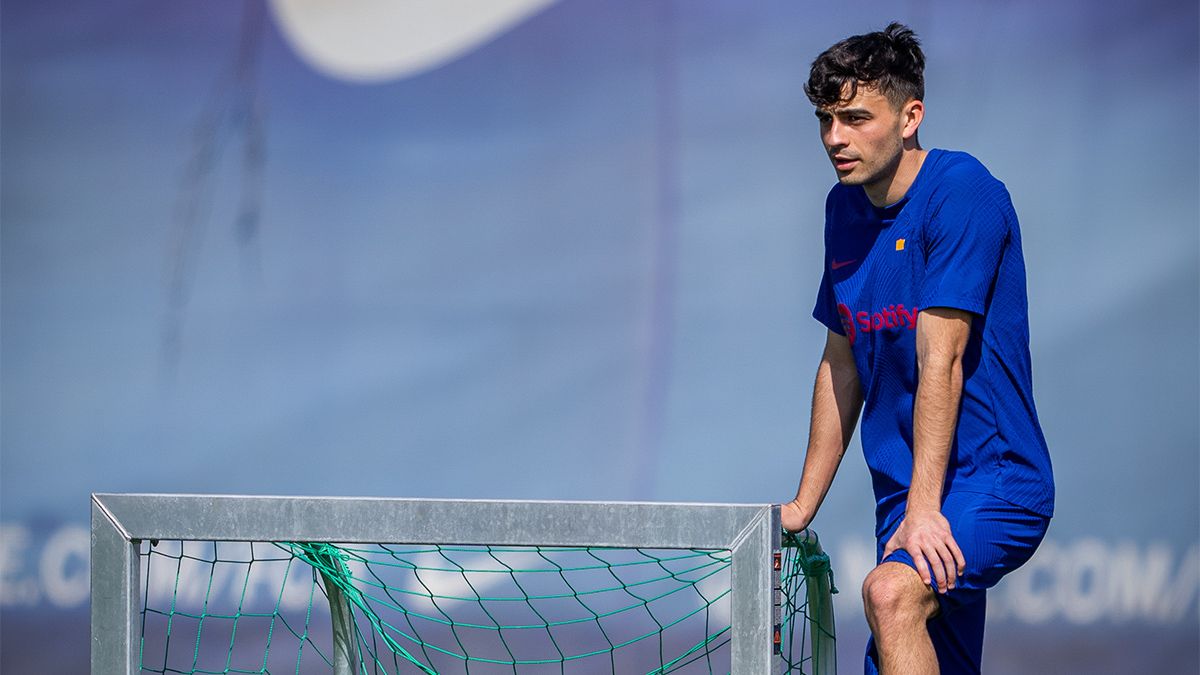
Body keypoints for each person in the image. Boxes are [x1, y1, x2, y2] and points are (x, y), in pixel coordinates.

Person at [780, 23, 1055, 675]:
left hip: (993, 480)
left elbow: (944, 359)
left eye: (854, 118)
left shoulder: (962, 192)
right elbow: (840, 363)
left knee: (891, 593)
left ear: (911, 116)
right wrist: (800, 507)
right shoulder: (841, 209)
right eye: (825, 120)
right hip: (904, 493)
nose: (835, 139)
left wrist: (925, 510)